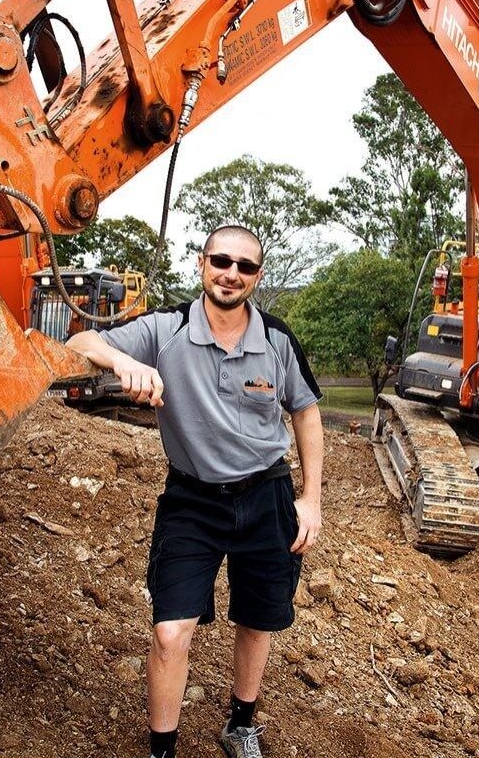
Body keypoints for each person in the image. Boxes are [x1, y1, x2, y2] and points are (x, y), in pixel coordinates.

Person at [66, 225, 324, 758]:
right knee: (169, 631)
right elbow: (78, 341)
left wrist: (311, 498)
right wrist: (123, 360)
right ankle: (163, 750)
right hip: (192, 500)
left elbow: (306, 412)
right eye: (221, 260)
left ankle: (241, 724)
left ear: (257, 276)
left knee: (257, 619)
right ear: (202, 263)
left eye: (245, 266)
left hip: (266, 494)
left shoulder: (277, 340)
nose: (231, 273)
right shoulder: (167, 329)